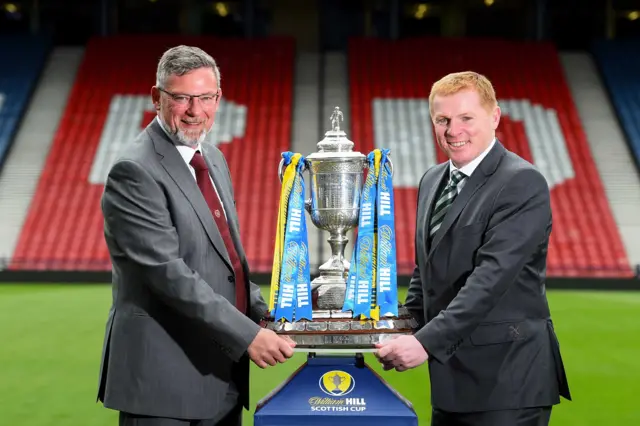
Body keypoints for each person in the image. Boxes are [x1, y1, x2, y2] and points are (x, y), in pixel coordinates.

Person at [97, 45, 295, 426]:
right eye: (182, 97)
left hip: (221, 379)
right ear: (157, 98)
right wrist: (249, 336)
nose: (195, 110)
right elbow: (168, 275)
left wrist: (273, 315)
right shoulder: (134, 170)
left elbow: (228, 264)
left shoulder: (214, 159)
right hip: (162, 384)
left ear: (218, 98)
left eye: (205, 97)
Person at [375, 71, 571, 426]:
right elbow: (427, 271)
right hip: (452, 384)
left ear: (494, 116)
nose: (453, 130)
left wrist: (423, 343)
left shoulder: (521, 182)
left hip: (507, 384)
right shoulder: (433, 179)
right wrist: (398, 328)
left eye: (466, 118)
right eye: (443, 120)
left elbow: (490, 280)